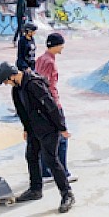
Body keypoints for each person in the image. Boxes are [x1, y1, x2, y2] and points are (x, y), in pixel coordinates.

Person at [0, 61, 75, 213]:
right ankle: (35, 189)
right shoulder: (17, 89)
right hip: (33, 129)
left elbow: (51, 106)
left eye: (6, 81)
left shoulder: (34, 84)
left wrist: (62, 128)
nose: (6, 84)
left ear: (12, 76)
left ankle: (67, 194)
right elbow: (22, 111)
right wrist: (26, 129)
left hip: (48, 128)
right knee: (31, 156)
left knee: (51, 160)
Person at [35, 32, 75, 182]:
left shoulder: (40, 59)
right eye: (61, 45)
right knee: (62, 138)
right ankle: (63, 172)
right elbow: (44, 85)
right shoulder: (49, 62)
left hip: (45, 103)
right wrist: (52, 106)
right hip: (52, 103)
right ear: (57, 45)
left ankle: (46, 171)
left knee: (49, 138)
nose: (63, 47)